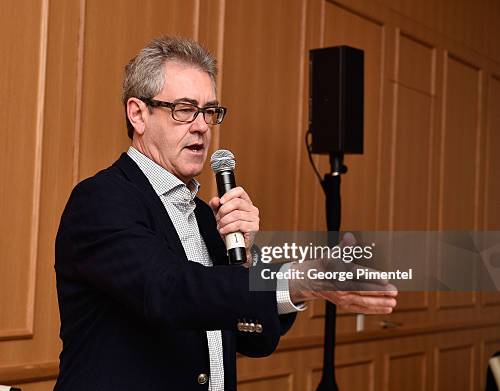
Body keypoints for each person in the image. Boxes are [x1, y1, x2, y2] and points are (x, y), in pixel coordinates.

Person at [54, 36, 397, 391]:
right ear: (138, 114)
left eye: (209, 111)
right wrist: (301, 277)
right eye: (184, 110)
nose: (201, 126)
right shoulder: (100, 200)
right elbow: (168, 291)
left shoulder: (208, 218)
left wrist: (247, 258)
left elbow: (256, 341)